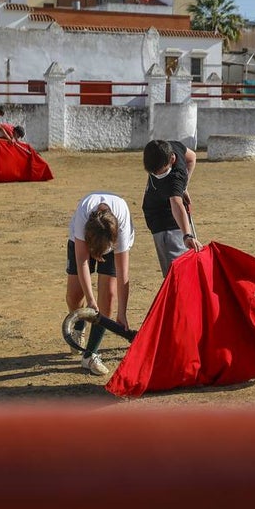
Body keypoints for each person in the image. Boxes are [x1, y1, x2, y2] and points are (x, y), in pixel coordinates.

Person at [66, 192, 136, 375]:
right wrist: (90, 299)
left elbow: (123, 274)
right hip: (82, 241)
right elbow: (82, 261)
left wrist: (122, 312)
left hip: (110, 238)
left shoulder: (121, 228)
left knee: (108, 297)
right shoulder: (83, 220)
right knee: (74, 296)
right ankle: (80, 327)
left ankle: (90, 355)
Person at [142, 139, 202, 276]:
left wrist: (187, 235)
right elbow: (192, 157)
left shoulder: (174, 179)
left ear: (172, 159)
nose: (157, 175)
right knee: (180, 271)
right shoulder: (169, 147)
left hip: (168, 222)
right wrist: (184, 187)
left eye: (161, 172)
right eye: (153, 173)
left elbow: (176, 203)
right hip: (158, 216)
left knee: (178, 273)